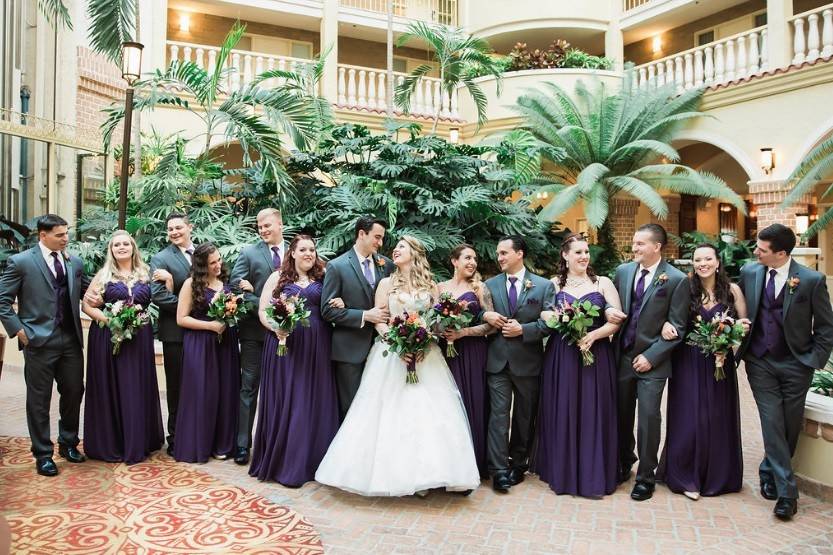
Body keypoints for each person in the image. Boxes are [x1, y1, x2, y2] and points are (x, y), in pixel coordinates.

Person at [315, 236, 480, 496]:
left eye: (401, 247)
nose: (395, 249)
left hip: (426, 356)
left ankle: (427, 476)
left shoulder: (431, 285)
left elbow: (436, 323)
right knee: (389, 413)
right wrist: (398, 343)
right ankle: (395, 475)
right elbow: (380, 320)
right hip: (392, 354)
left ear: (414, 252)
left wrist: (427, 340)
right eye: (396, 247)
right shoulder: (385, 283)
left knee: (426, 413)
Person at [737, 223, 833, 520]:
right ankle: (787, 494)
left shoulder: (810, 280)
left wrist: (812, 360)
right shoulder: (749, 273)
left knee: (790, 424)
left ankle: (768, 470)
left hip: (796, 363)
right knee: (771, 421)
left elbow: (827, 327)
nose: (756, 252)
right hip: (760, 361)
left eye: (762, 250)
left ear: (781, 253)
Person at [658, 243, 749, 500]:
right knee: (689, 418)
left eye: (708, 259)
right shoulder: (684, 288)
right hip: (688, 359)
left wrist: (731, 342)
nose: (703, 264)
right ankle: (685, 476)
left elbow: (744, 325)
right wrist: (665, 325)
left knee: (717, 417)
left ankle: (718, 476)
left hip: (719, 363)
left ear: (718, 262)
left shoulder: (733, 291)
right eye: (698, 260)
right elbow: (669, 317)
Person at [534, 233, 622, 498]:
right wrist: (562, 320)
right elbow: (544, 312)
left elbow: (616, 319)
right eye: (578, 252)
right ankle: (564, 469)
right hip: (563, 354)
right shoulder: (553, 283)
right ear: (565, 255)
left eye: (586, 252)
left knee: (594, 409)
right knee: (564, 408)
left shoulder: (602, 282)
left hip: (596, 354)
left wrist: (594, 335)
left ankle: (595, 471)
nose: (584, 256)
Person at [0, 214, 88, 476]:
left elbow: (90, 292)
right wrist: (19, 331)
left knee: (74, 391)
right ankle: (43, 454)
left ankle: (68, 443)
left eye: (66, 233)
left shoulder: (75, 262)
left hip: (70, 339)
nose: (66, 239)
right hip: (37, 341)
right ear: (43, 235)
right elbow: (2, 301)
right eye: (60, 235)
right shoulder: (22, 262)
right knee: (39, 400)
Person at [606, 223, 689, 502]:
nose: (634, 247)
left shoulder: (676, 279)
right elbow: (613, 308)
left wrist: (651, 356)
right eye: (634, 242)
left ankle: (646, 477)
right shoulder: (623, 272)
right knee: (621, 413)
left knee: (649, 418)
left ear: (657, 247)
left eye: (640, 243)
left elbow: (678, 327)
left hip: (653, 361)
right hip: (623, 357)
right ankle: (623, 462)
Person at [249, 235, 339, 487]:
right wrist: (276, 328)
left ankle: (313, 461)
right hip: (285, 345)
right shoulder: (277, 277)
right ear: (293, 253)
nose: (309, 253)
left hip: (318, 345)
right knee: (290, 399)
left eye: (312, 249)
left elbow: (332, 307)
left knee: (312, 400)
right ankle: (285, 462)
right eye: (303, 249)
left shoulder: (323, 277)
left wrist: (339, 302)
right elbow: (263, 311)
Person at [82, 230, 164, 465]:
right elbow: (88, 306)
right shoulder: (104, 274)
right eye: (116, 244)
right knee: (113, 386)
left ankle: (137, 439)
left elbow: (162, 296)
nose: (121, 247)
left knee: (135, 386)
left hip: (139, 339)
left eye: (125, 243)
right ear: (111, 250)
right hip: (109, 337)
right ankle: (112, 441)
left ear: (133, 247)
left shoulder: (146, 273)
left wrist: (168, 279)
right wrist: (110, 321)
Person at [481, 235, 554, 494]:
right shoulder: (489, 284)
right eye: (498, 253)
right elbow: (478, 311)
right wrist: (484, 314)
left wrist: (524, 330)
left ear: (519, 253)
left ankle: (518, 464)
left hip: (528, 362)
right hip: (498, 361)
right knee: (498, 417)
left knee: (525, 416)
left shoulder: (544, 286)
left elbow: (550, 323)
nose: (499, 257)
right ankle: (499, 470)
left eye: (504, 253)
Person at [172, 242, 240, 463]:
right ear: (202, 265)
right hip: (200, 344)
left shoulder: (226, 282)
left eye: (219, 260)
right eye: (212, 263)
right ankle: (199, 443)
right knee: (203, 393)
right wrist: (210, 326)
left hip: (225, 345)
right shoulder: (191, 284)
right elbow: (181, 318)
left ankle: (222, 443)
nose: (218, 265)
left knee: (225, 391)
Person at [321, 216, 395, 420]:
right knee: (352, 408)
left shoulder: (386, 265)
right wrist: (364, 315)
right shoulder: (337, 266)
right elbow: (327, 311)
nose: (380, 243)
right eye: (377, 237)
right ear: (362, 234)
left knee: (380, 405)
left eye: (382, 239)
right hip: (350, 350)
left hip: (383, 349)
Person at [229, 208, 285, 465]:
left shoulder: (294, 253)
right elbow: (234, 289)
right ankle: (243, 445)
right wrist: (265, 308)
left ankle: (278, 445)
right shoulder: (249, 254)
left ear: (280, 224)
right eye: (260, 226)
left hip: (288, 335)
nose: (263, 230)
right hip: (254, 334)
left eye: (267, 225)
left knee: (283, 390)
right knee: (249, 388)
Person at [437, 244, 495, 478]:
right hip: (445, 354)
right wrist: (442, 329)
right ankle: (449, 465)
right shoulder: (439, 288)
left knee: (474, 401)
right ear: (454, 261)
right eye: (467, 258)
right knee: (447, 404)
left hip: (473, 352)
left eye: (475, 258)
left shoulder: (480, 288)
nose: (472, 262)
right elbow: (432, 321)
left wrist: (464, 333)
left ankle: (473, 464)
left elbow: (491, 326)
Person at [150, 212, 196, 456]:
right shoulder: (161, 259)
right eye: (170, 229)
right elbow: (158, 295)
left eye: (179, 227)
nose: (174, 232)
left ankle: (199, 432)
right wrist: (190, 307)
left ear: (190, 227)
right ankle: (176, 436)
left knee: (199, 384)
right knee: (177, 386)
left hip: (202, 332)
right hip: (175, 333)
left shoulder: (201, 254)